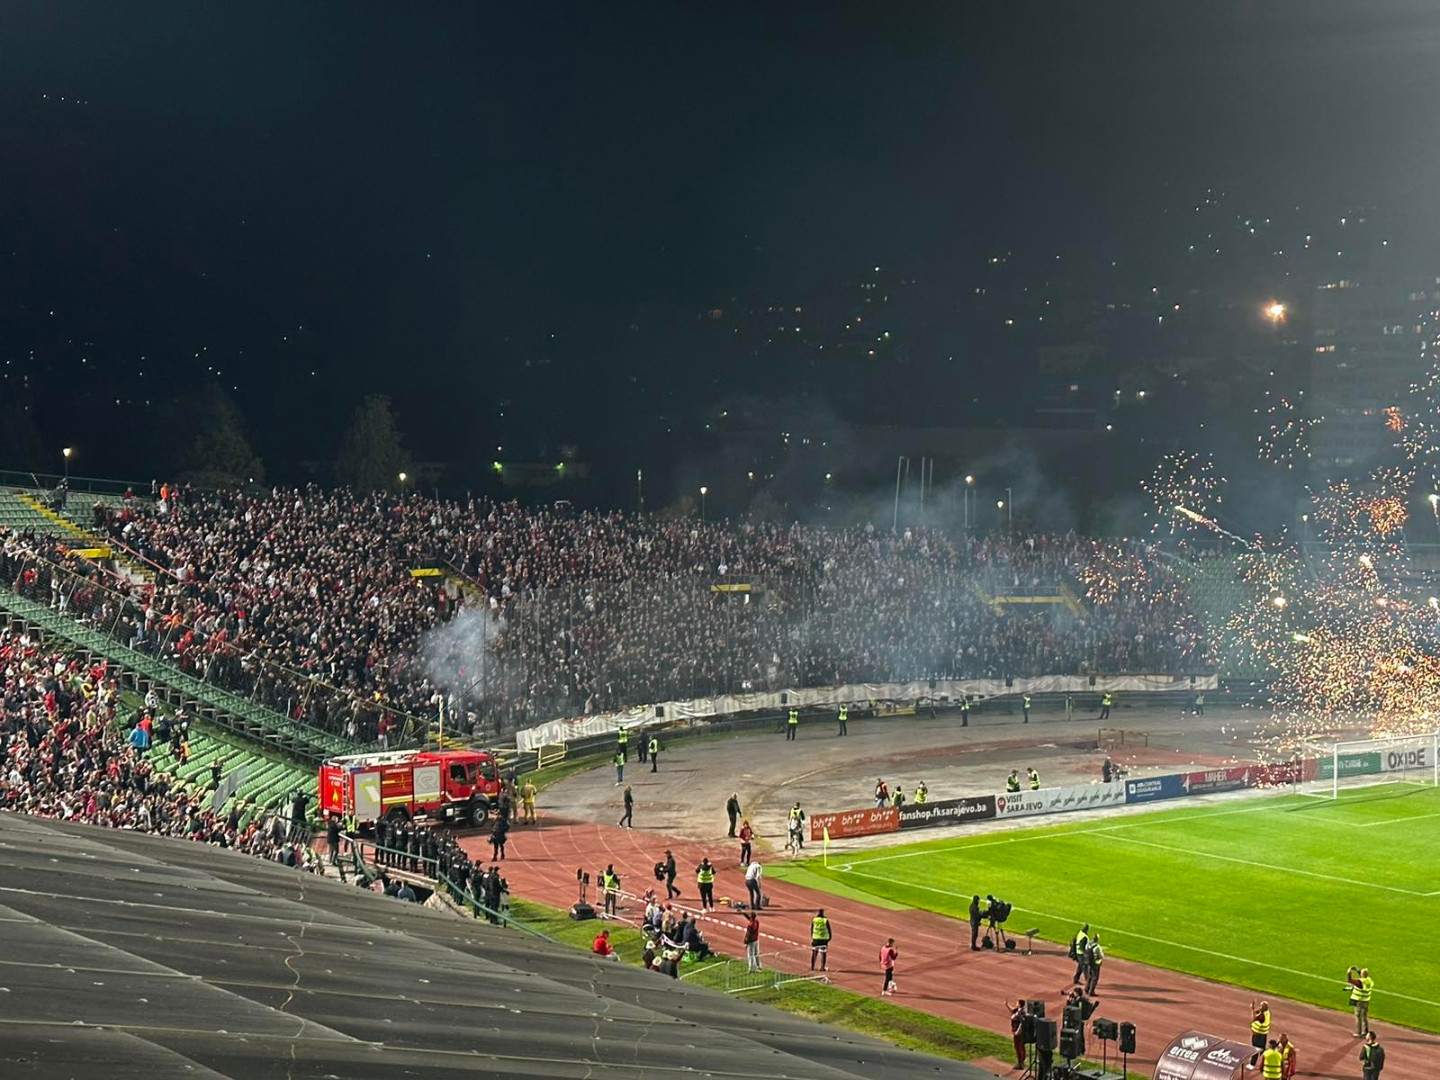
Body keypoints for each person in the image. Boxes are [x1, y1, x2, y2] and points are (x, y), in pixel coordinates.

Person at [1348, 966, 1374, 1036]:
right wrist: (1358, 970)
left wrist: (1349, 972)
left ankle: (1358, 1032)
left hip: (1359, 1001)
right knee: (1364, 1016)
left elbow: (1350, 980)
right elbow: (1363, 976)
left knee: (1358, 1016)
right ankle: (1365, 1031)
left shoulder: (1360, 982)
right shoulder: (1369, 980)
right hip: (1366, 1001)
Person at [1249, 999, 1272, 1067]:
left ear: (1264, 1007)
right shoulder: (1267, 1012)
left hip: (1258, 1034)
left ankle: (1252, 1064)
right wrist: (1254, 1009)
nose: (1260, 1007)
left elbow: (1254, 1018)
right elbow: (1258, 1012)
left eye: (1261, 1006)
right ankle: (1267, 1059)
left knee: (1255, 1048)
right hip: (1264, 1034)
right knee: (1262, 1048)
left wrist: (1252, 1009)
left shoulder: (1262, 1015)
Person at [1008, 1000, 1028, 1069]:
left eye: (1017, 1002)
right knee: (1020, 1046)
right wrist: (1007, 1005)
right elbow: (1012, 1011)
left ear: (1019, 1004)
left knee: (1019, 1047)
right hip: (1016, 1031)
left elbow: (1022, 1023)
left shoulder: (1022, 1013)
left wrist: (1018, 1032)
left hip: (1019, 1033)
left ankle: (1020, 1063)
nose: (1016, 1003)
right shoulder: (1018, 1010)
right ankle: (1022, 1062)